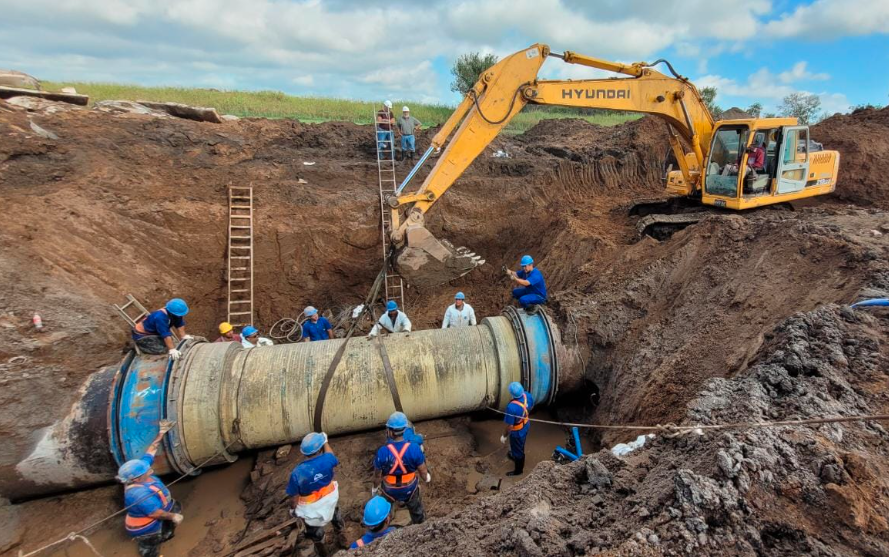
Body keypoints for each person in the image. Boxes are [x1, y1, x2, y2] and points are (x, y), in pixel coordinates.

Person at [117, 420, 183, 557]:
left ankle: (166, 535)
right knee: (149, 548)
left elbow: (151, 450)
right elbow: (155, 513)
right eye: (146, 471)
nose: (150, 469)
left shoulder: (139, 471)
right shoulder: (137, 494)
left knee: (175, 507)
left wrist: (161, 432)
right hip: (145, 528)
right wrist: (173, 516)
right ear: (135, 479)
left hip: (160, 508)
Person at [287, 432, 347, 556]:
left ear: (303, 452)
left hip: (311, 510)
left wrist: (293, 511)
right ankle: (341, 534)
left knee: (315, 532)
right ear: (320, 448)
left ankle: (323, 550)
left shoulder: (297, 473)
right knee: (336, 516)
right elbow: (331, 455)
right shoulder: (328, 459)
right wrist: (325, 441)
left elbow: (294, 498)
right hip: (330, 500)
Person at [372, 412, 430, 524]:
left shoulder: (383, 452)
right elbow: (423, 471)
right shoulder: (414, 449)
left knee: (385, 510)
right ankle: (419, 525)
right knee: (416, 510)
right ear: (404, 429)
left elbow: (377, 476)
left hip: (389, 489)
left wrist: (374, 488)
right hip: (410, 488)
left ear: (389, 431)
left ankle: (386, 524)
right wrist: (427, 478)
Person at [500, 381, 534, 477]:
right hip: (526, 424)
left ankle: (518, 471)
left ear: (512, 394)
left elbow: (510, 426)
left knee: (517, 449)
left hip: (517, 431)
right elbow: (532, 406)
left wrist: (504, 436)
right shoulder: (527, 395)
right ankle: (517, 455)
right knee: (520, 445)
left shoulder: (511, 407)